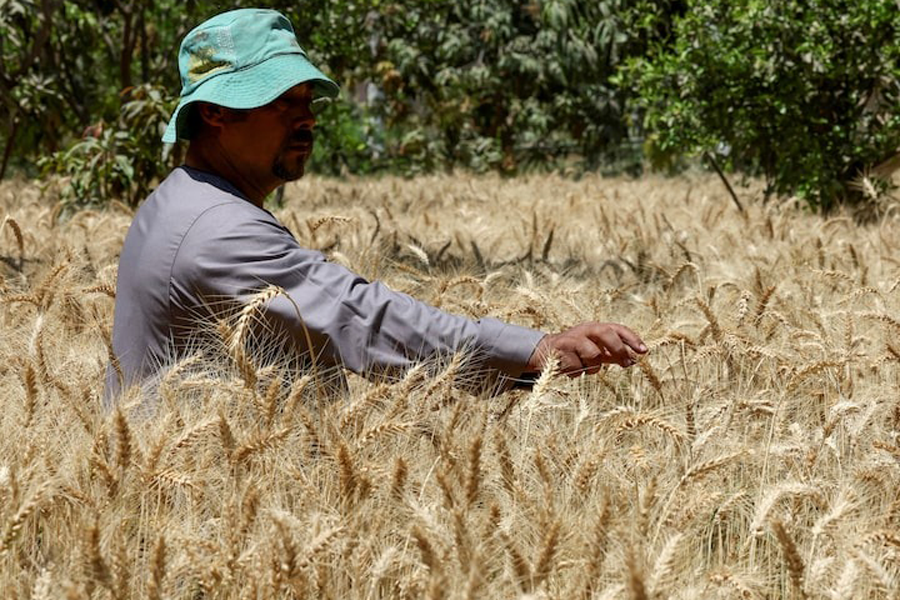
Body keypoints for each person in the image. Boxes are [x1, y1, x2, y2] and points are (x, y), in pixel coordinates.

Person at [104, 8, 647, 400]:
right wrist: (534, 350)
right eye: (279, 101)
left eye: (307, 100)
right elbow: (362, 316)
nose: (307, 117)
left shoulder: (178, 201)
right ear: (217, 113)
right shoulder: (217, 230)